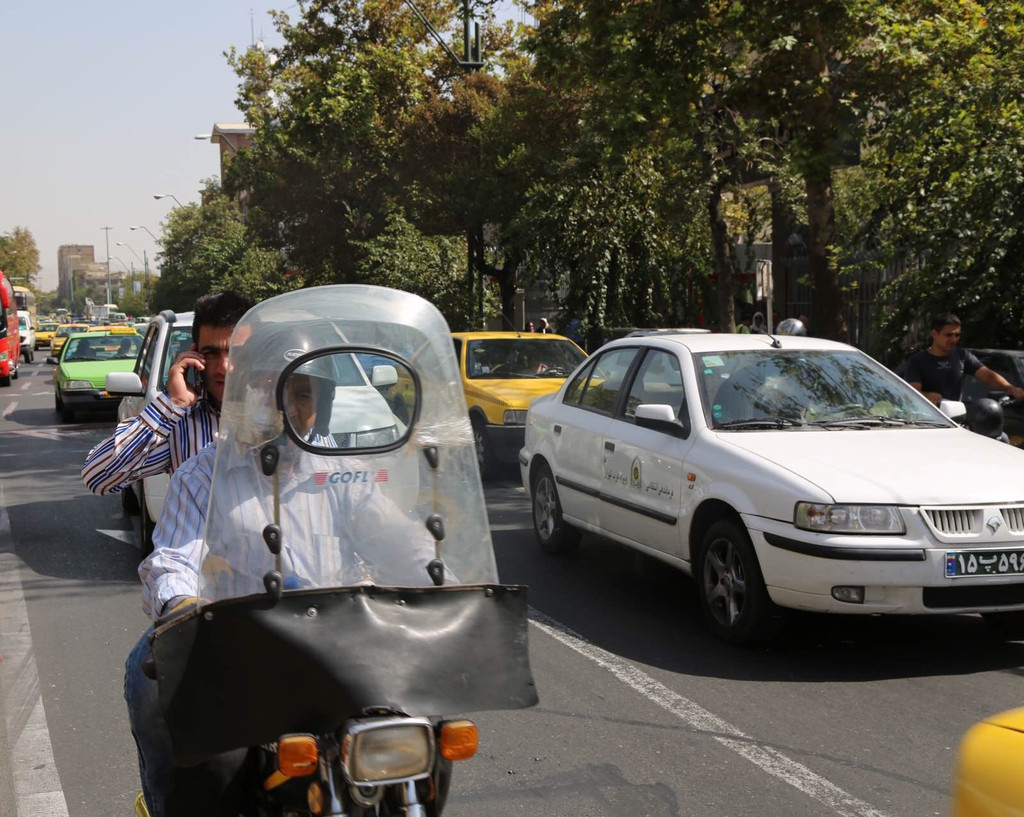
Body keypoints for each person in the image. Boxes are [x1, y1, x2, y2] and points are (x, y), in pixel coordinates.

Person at [123, 318, 433, 816]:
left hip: (338, 647)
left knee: (419, 738)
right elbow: (174, 558)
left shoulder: (341, 473)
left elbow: (397, 538)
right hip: (236, 654)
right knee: (159, 696)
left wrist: (439, 576)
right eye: (270, 394)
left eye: (303, 395)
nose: (287, 410)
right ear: (244, 401)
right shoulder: (203, 475)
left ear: (320, 406)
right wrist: (181, 604)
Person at [81, 292, 255, 496]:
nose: (224, 367)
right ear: (195, 354)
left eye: (237, 352)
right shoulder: (179, 424)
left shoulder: (287, 411)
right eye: (211, 354)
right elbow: (97, 478)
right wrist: (173, 404)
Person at [904, 313, 1024, 405]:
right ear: (935, 334)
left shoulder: (962, 356)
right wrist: (927, 395)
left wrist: (1008, 388)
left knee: (1002, 438)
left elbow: (988, 375)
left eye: (957, 335)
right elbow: (913, 393)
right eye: (949, 335)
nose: (954, 339)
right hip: (929, 420)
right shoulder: (918, 361)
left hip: (957, 418)